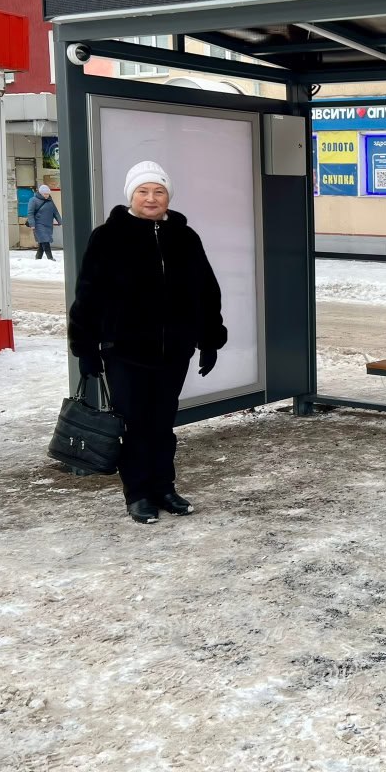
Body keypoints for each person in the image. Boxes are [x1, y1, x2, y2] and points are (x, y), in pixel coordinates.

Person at [67, 160, 227, 525]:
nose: (151, 198)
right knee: (136, 424)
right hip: (125, 351)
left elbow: (206, 291)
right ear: (131, 195)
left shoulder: (185, 238)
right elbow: (87, 296)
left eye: (159, 191)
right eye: (143, 191)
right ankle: (138, 494)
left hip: (174, 352)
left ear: (168, 196)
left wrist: (209, 339)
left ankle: (164, 488)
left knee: (162, 423)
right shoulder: (108, 237)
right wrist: (86, 349)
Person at [26, 184, 62, 261]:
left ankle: (38, 258)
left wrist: (60, 221)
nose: (47, 195)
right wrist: (32, 224)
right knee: (45, 240)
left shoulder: (50, 200)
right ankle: (50, 258)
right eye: (45, 194)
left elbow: (55, 211)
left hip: (48, 224)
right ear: (40, 193)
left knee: (42, 241)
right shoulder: (33, 200)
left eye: (48, 194)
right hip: (38, 224)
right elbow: (30, 213)